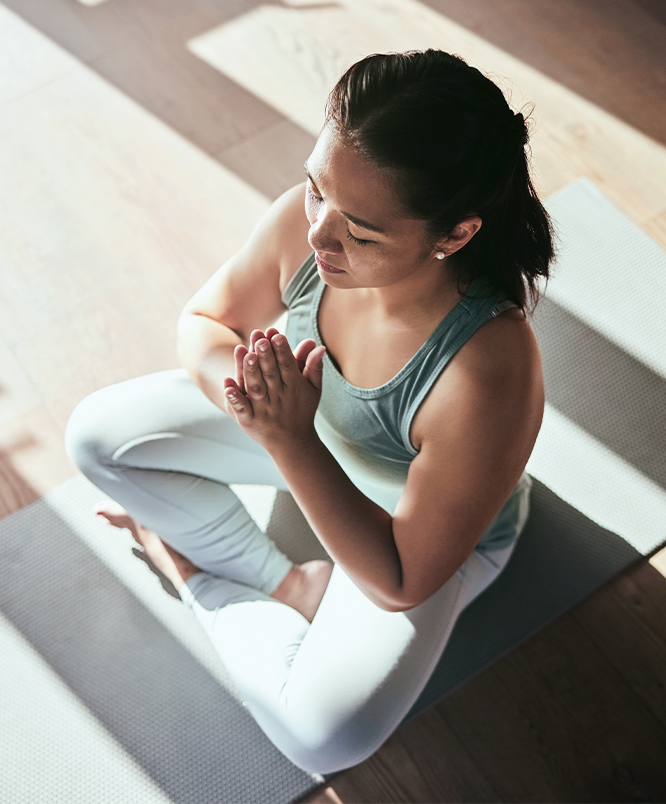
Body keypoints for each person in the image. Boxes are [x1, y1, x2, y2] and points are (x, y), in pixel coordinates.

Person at [64, 49, 553, 774]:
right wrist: (256, 396)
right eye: (315, 188)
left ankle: (190, 569)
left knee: (325, 738)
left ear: (453, 236)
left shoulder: (489, 369)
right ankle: (285, 584)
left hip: (407, 533)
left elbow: (400, 580)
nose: (321, 235)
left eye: (361, 232)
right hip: (298, 432)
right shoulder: (314, 228)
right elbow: (206, 321)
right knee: (96, 438)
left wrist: (289, 439)